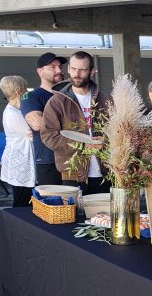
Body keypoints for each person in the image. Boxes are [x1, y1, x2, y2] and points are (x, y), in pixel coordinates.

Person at [40, 51, 110, 194]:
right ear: (68, 69)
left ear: (91, 72)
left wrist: (106, 141)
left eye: (82, 69)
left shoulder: (105, 100)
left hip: (105, 173)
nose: (77, 73)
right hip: (72, 174)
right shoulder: (56, 102)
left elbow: (119, 131)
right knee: (75, 216)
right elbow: (48, 136)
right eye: (73, 69)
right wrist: (82, 146)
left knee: (104, 216)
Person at [19, 52, 63, 186]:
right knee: (51, 204)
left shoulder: (69, 95)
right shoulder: (31, 96)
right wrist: (69, 124)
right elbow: (37, 124)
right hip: (48, 159)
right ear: (40, 71)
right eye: (53, 67)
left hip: (74, 157)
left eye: (60, 67)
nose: (59, 71)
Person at [0, 75, 36, 207]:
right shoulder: (12, 114)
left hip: (21, 158)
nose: (27, 92)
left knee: (24, 195)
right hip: (20, 160)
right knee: (22, 199)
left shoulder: (15, 110)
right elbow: (32, 132)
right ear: (18, 92)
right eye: (25, 89)